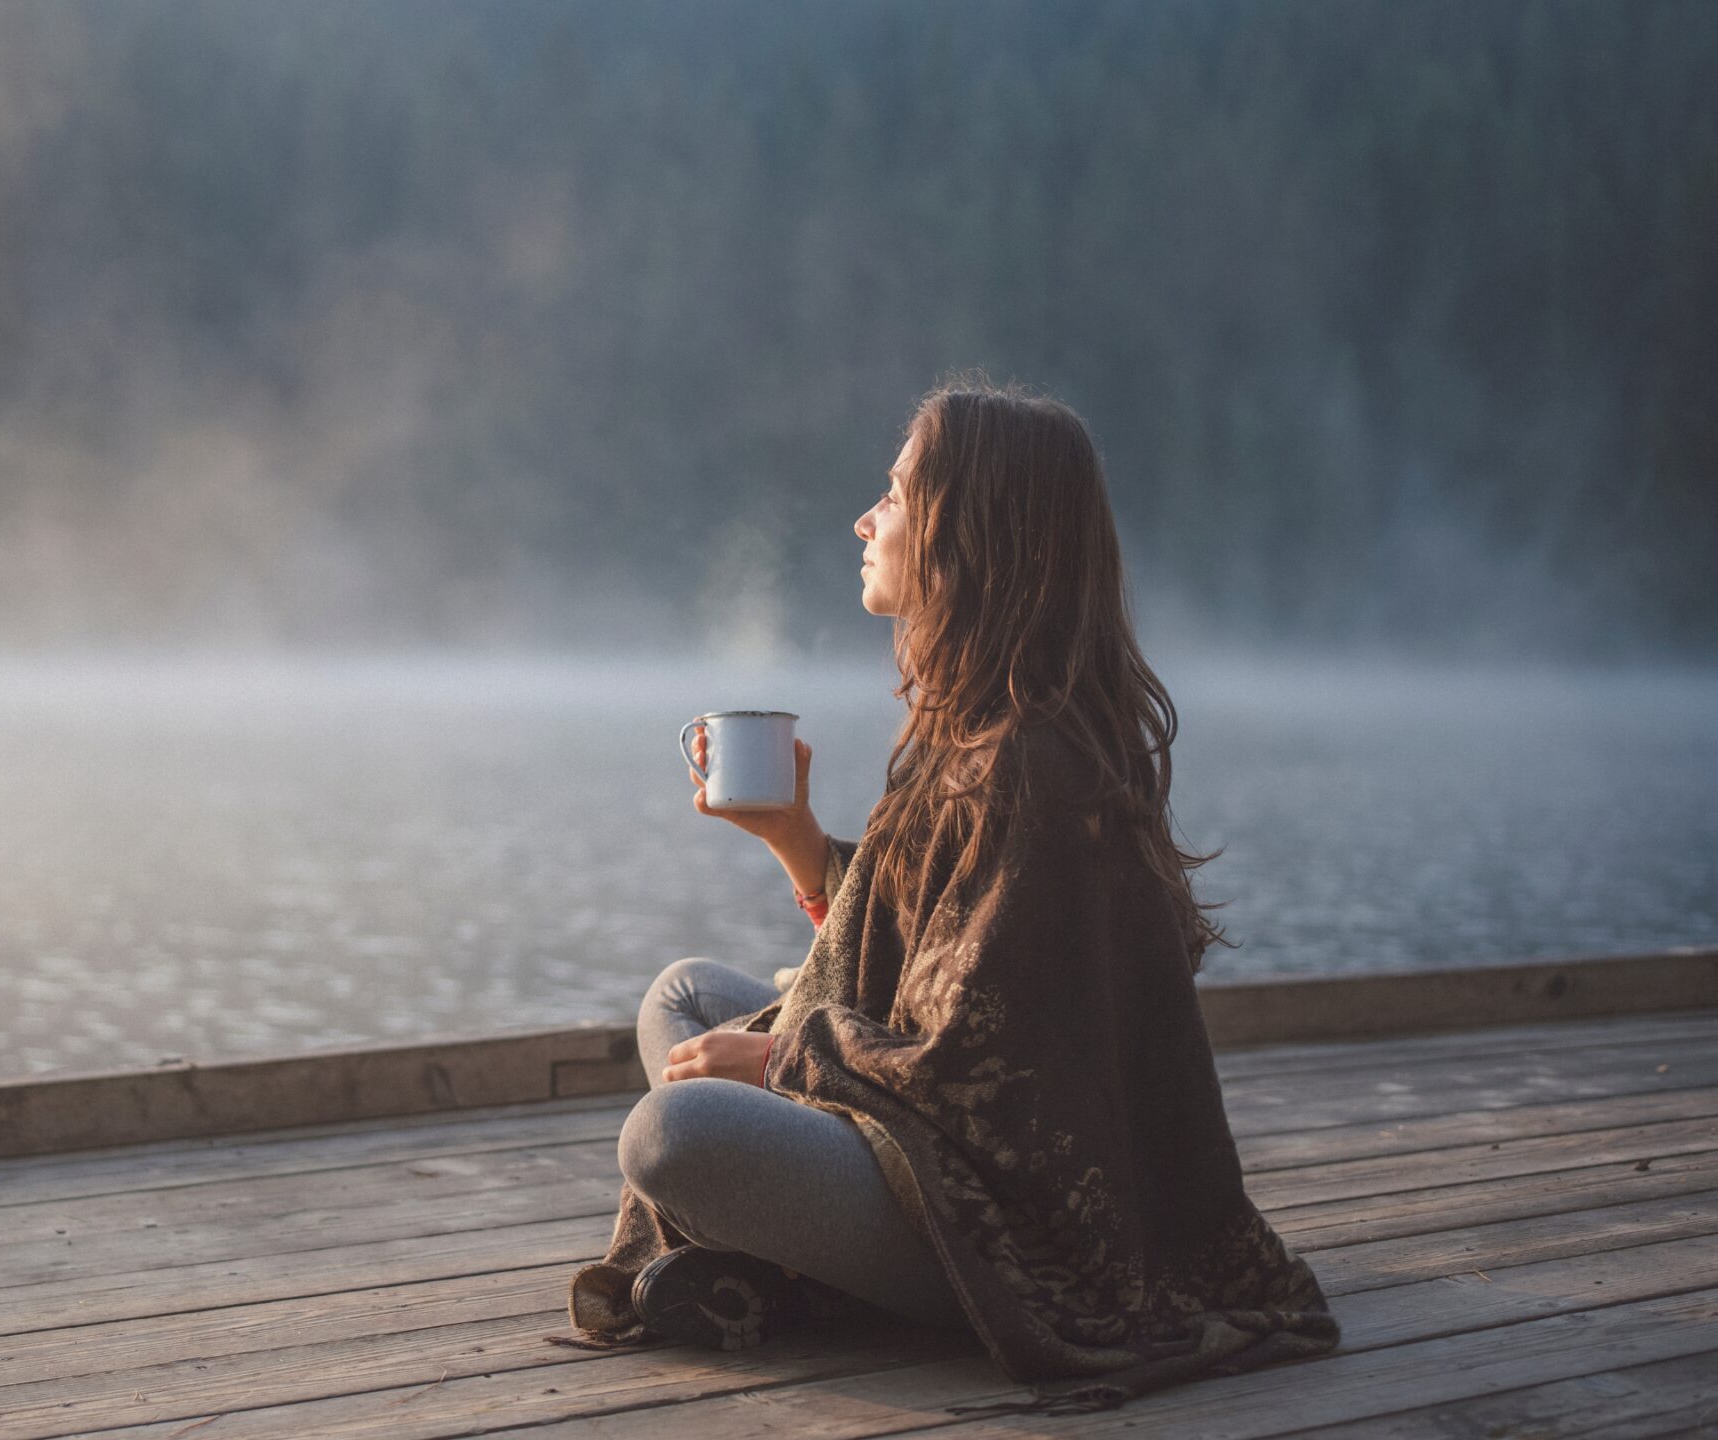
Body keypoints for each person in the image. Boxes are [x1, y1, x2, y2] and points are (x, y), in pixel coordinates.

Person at [556, 375, 1341, 1417]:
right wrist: (794, 839)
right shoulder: (975, 730)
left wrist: (785, 1058)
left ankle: (806, 1275)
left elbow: (976, 1069)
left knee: (674, 1138)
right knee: (687, 997)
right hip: (930, 1150)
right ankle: (778, 1257)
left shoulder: (1031, 764)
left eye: (893, 493)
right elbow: (917, 963)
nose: (863, 518)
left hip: (1011, 1230)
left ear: (969, 532)